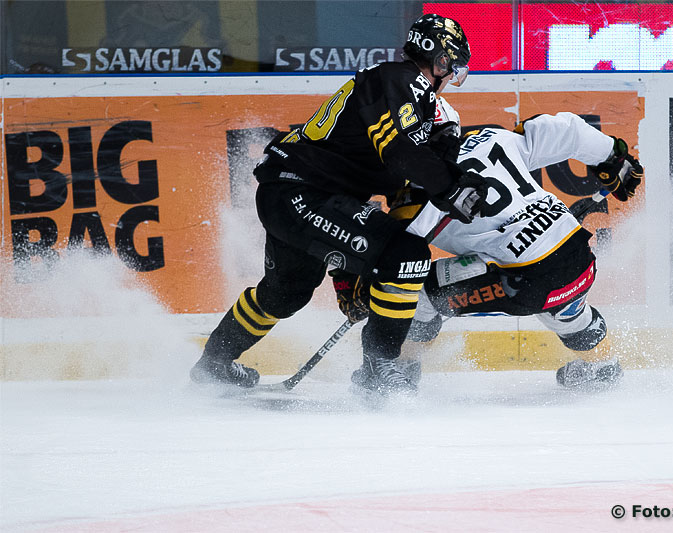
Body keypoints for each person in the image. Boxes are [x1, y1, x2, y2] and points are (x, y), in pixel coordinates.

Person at [190, 14, 486, 396]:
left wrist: (352, 278)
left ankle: (212, 365)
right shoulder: (399, 80)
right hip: (301, 193)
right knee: (406, 254)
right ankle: (381, 367)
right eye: (452, 66)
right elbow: (399, 152)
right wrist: (451, 186)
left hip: (297, 195)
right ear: (439, 59)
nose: (451, 78)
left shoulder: (421, 106)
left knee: (287, 291)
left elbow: (390, 202)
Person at [384, 97, 643, 388]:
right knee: (558, 300)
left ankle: (397, 373)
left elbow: (397, 258)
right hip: (578, 255)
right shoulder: (493, 137)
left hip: (526, 279)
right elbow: (568, 130)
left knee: (414, 291)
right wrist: (612, 156)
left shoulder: (419, 193)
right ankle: (602, 366)